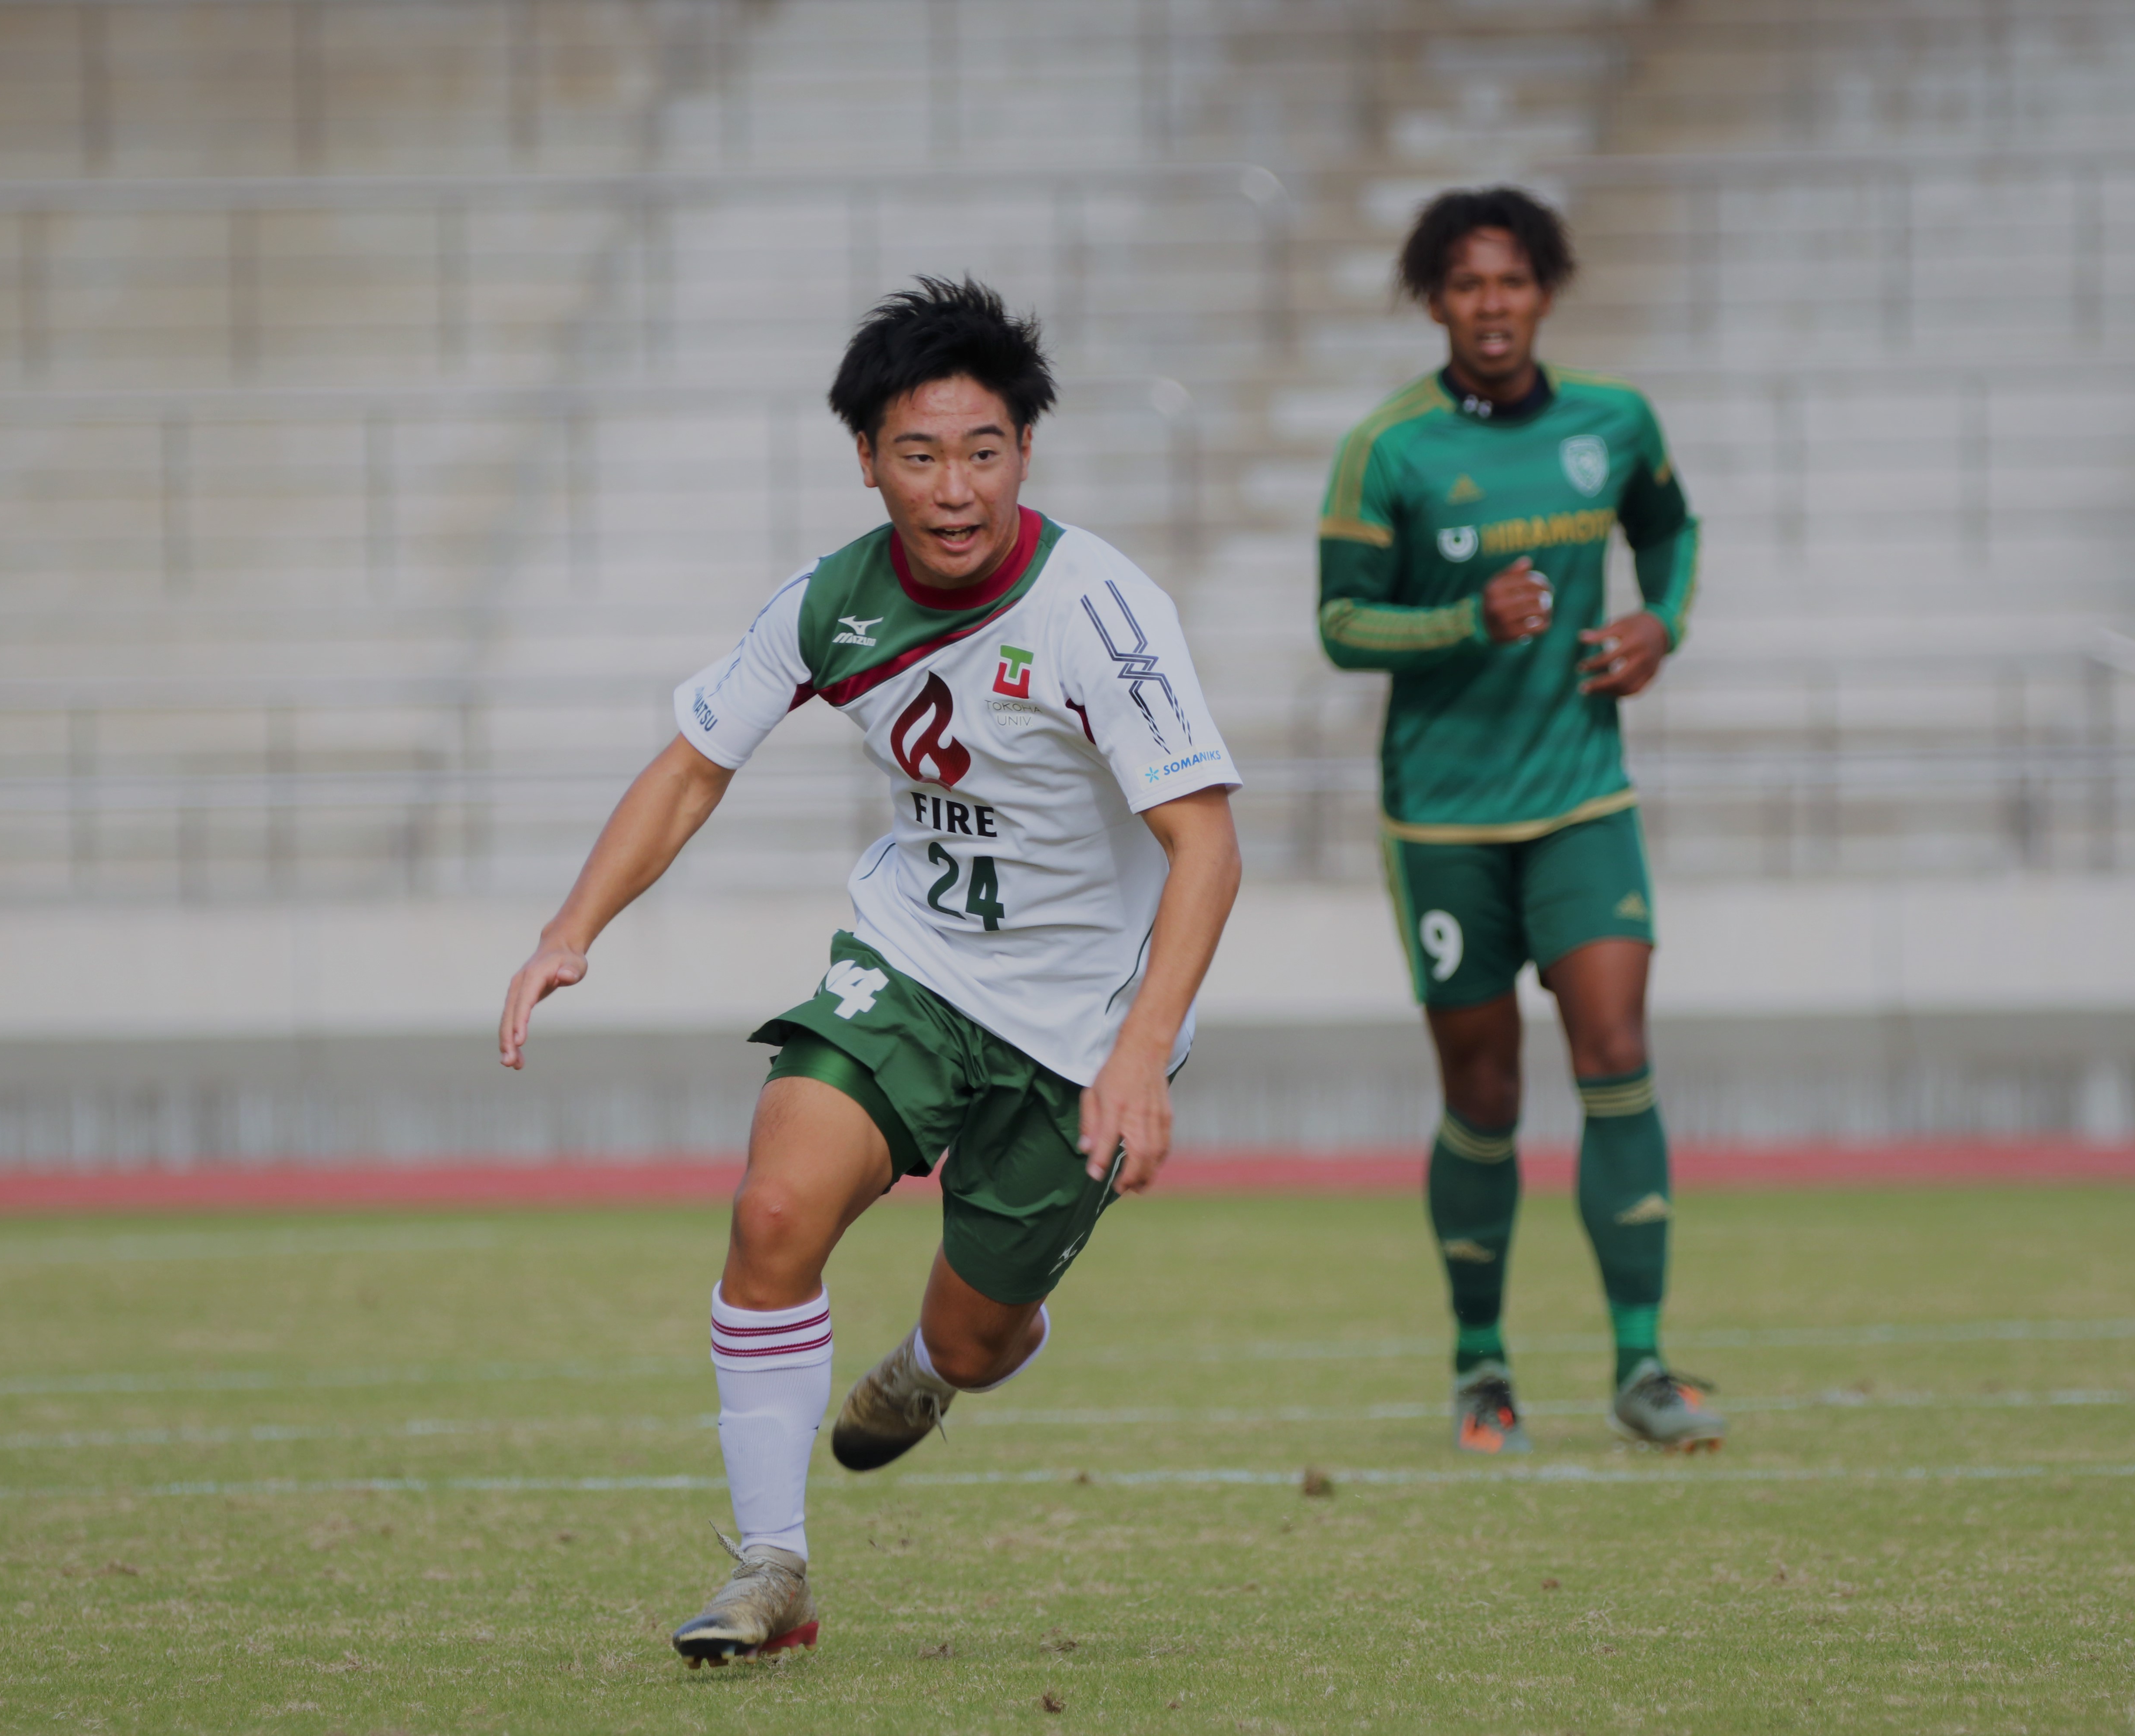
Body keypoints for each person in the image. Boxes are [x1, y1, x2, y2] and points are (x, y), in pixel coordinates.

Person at [498, 277, 1243, 1664]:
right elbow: (691, 766)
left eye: (983, 453)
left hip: (1081, 1028)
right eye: (919, 455)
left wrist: (1142, 1052)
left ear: (1026, 451)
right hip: (912, 964)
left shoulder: (1102, 611)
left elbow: (1205, 848)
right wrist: (569, 928)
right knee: (774, 1208)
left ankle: (944, 1363)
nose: (954, 489)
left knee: (972, 1341)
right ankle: (768, 1571)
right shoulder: (832, 602)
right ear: (866, 459)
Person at [1315, 186, 1722, 1456]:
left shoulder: (1616, 420)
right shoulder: (1389, 449)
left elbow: (1673, 529)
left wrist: (1665, 622)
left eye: (1512, 282)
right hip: (1442, 822)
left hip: (1583, 801)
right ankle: (1481, 1367)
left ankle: (1643, 1363)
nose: (1492, 306)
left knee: (1616, 1050)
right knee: (1484, 1091)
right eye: (1467, 286)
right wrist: (1458, 621)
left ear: (1545, 290)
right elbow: (1340, 625)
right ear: (1435, 301)